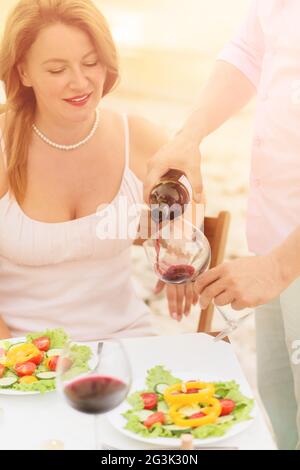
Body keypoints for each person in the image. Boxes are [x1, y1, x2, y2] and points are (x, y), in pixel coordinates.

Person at [145, 0, 300, 450]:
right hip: (272, 239)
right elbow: (249, 50)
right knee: (280, 400)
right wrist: (187, 137)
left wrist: (280, 266)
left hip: (284, 260)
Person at [0, 0, 197, 342]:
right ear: (23, 72)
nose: (80, 82)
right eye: (57, 70)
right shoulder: (4, 145)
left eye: (90, 63)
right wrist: (15, 359)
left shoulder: (138, 138)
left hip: (125, 342)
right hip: (21, 353)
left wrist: (179, 234)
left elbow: (190, 192)